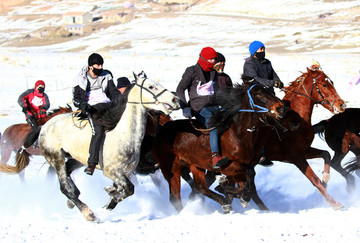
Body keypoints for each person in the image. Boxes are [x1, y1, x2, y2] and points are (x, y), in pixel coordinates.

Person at [176, 47, 228, 169]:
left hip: (214, 105)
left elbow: (216, 90)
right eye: (210, 59)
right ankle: (215, 156)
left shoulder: (213, 72)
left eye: (214, 59)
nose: (212, 62)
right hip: (198, 107)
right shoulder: (191, 71)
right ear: (203, 58)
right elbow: (180, 89)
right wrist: (184, 106)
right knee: (212, 121)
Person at [73, 53, 120, 176]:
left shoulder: (106, 75)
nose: (100, 67)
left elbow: (113, 92)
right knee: (98, 132)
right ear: (90, 66)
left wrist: (119, 99)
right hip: (91, 108)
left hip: (107, 106)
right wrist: (82, 105)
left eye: (101, 64)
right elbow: (76, 98)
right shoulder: (80, 79)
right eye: (97, 65)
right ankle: (92, 163)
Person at [243, 41, 284, 166]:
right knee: (260, 122)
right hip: (257, 97)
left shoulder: (267, 62)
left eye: (263, 48)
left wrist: (278, 82)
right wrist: (271, 83)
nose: (262, 51)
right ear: (254, 51)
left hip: (269, 95)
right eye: (260, 49)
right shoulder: (249, 64)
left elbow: (274, 75)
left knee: (283, 109)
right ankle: (260, 153)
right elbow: (256, 79)